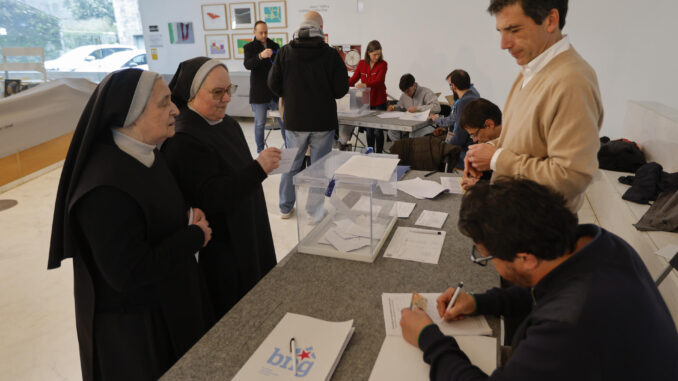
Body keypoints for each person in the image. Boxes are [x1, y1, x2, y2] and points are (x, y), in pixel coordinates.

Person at [400, 179, 678, 380]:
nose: (487, 262)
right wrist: (478, 302)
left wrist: (429, 339)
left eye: (486, 256)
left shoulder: (566, 328)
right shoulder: (600, 245)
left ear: (525, 258)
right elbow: (547, 289)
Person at [48, 69, 214, 380]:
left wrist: (185, 218)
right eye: (164, 102)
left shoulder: (146, 154)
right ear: (131, 113)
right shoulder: (103, 187)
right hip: (136, 333)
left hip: (167, 304)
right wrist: (193, 236)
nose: (176, 109)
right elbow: (129, 272)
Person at [162, 57, 280, 319]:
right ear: (193, 93)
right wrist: (258, 168)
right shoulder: (184, 138)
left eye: (229, 90)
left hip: (248, 226)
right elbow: (211, 198)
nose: (226, 98)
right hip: (224, 247)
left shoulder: (228, 124)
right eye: (218, 92)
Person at [465, 0, 603, 212]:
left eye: (514, 30)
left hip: (539, 232)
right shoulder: (533, 70)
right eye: (501, 31)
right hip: (515, 218)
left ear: (550, 20)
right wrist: (486, 150)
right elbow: (523, 138)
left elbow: (571, 177)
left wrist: (496, 159)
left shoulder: (571, 81)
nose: (503, 44)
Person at [268, 11, 349, 218]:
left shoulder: (285, 52)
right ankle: (314, 211)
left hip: (295, 119)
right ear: (320, 27)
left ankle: (285, 207)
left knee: (291, 165)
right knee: (319, 167)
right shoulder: (331, 55)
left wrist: (290, 95)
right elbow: (341, 90)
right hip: (323, 120)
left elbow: (272, 84)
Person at [244, 20, 286, 153]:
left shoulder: (275, 45)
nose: (263, 35)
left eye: (266, 32)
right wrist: (260, 56)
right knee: (260, 124)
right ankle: (260, 150)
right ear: (254, 32)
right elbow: (247, 65)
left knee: (284, 121)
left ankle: (289, 146)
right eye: (261, 32)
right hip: (259, 93)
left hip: (274, 92)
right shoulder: (249, 47)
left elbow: (280, 66)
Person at [432, 69, 480, 169]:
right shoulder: (473, 93)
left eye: (450, 85)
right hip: (470, 146)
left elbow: (459, 138)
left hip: (464, 151)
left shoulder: (463, 102)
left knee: (430, 150)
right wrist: (444, 128)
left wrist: (444, 147)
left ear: (453, 86)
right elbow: (455, 119)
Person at [347, 39, 388, 153]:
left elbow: (379, 81)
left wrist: (366, 84)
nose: (377, 57)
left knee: (378, 130)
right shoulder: (361, 64)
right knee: (369, 129)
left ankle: (379, 153)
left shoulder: (383, 64)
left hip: (379, 101)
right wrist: (343, 86)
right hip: (366, 101)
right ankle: (370, 152)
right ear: (368, 53)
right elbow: (354, 78)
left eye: (379, 54)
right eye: (374, 54)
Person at [458, 98, 502, 190]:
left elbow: (509, 184)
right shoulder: (493, 142)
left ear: (489, 124)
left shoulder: (516, 144)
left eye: (475, 134)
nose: (474, 140)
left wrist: (479, 184)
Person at [389, 73, 440, 141]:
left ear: (414, 85)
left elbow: (437, 107)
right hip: (410, 124)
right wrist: (393, 108)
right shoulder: (404, 95)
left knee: (413, 134)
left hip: (427, 124)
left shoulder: (426, 92)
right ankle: (401, 149)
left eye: (408, 91)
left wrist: (417, 108)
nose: (406, 94)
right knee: (392, 132)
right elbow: (400, 106)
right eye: (404, 92)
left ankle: (410, 150)